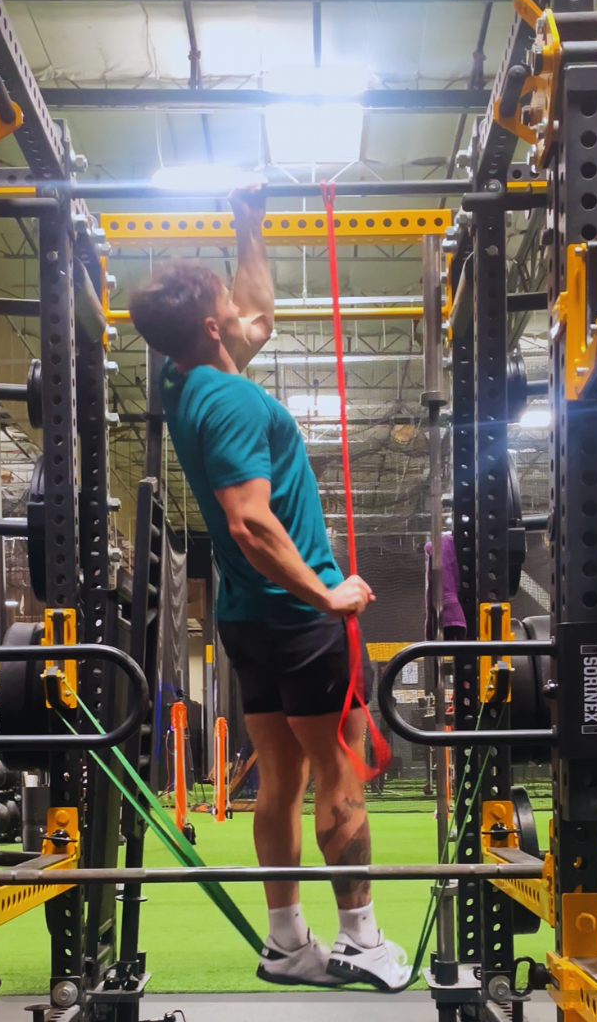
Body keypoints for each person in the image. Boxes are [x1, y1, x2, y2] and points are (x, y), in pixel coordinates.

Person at [128, 185, 411, 992]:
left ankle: (287, 942)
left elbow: (259, 312)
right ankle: (359, 938)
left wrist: (248, 227)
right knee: (340, 776)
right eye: (225, 300)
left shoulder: (191, 382)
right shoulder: (235, 401)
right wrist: (331, 599)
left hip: (247, 618)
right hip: (296, 613)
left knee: (282, 779)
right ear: (211, 327)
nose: (240, 307)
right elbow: (250, 524)